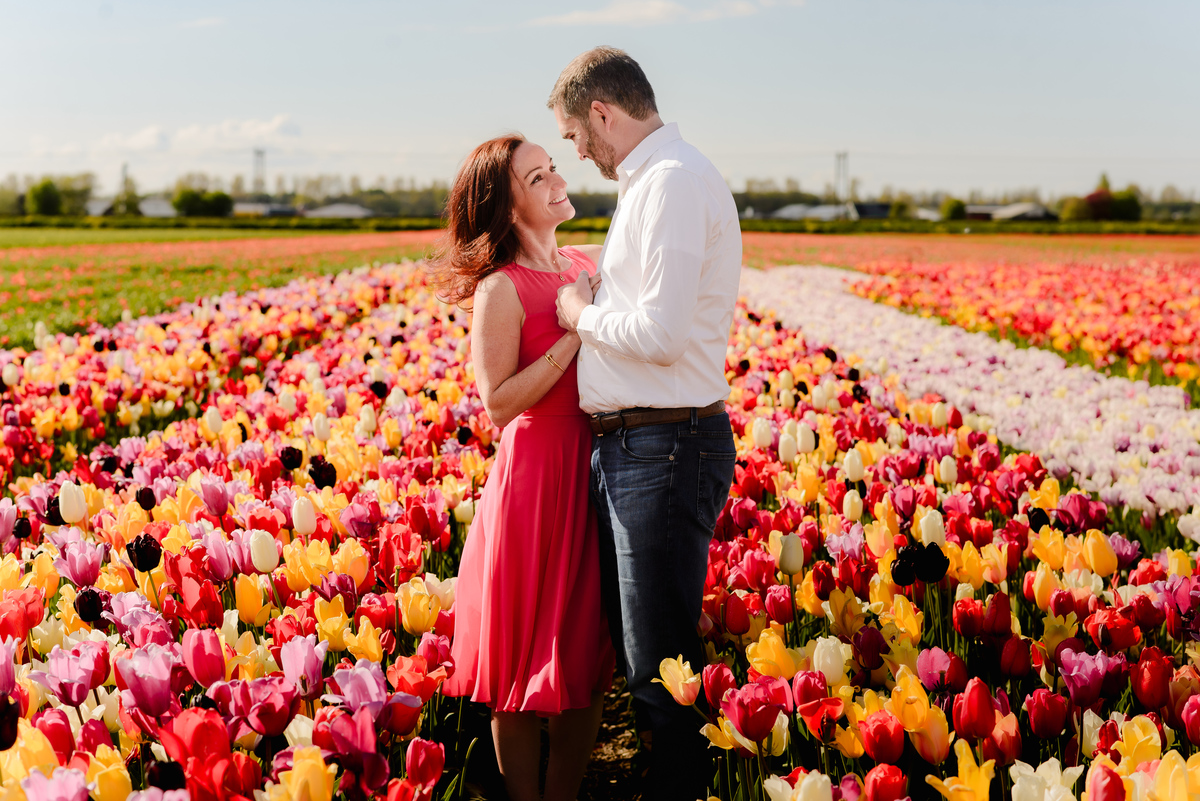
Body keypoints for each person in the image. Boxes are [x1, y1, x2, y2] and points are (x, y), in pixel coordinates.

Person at [550, 47, 742, 801]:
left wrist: (580, 313)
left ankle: (679, 789)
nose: (577, 151)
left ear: (603, 112)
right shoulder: (653, 182)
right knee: (649, 657)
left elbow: (660, 337)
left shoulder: (669, 182)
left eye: (575, 134)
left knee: (660, 664)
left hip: (662, 444)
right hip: (643, 443)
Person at [435, 134, 614, 801]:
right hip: (535, 475)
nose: (556, 181)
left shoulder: (586, 263)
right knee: (516, 662)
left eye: (552, 168)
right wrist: (575, 332)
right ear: (509, 210)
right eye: (536, 177)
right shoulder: (501, 289)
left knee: (585, 654)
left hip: (594, 469)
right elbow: (499, 404)